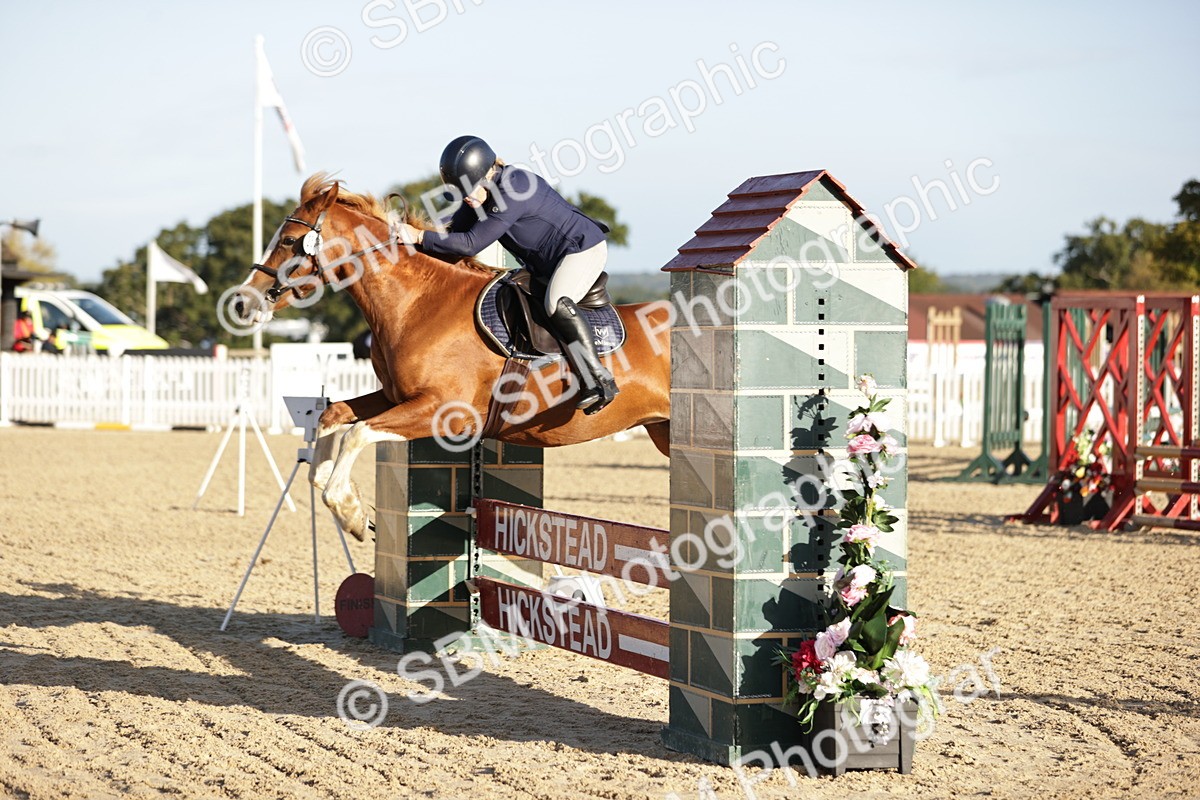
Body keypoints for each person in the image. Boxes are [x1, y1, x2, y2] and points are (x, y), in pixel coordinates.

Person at [396, 135, 619, 414]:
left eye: (468, 190)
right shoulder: (480, 191)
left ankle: (599, 380)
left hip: (581, 250)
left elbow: (471, 244)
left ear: (488, 174)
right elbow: (453, 234)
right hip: (546, 264)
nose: (465, 199)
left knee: (556, 302)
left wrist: (419, 236)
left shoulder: (515, 188)